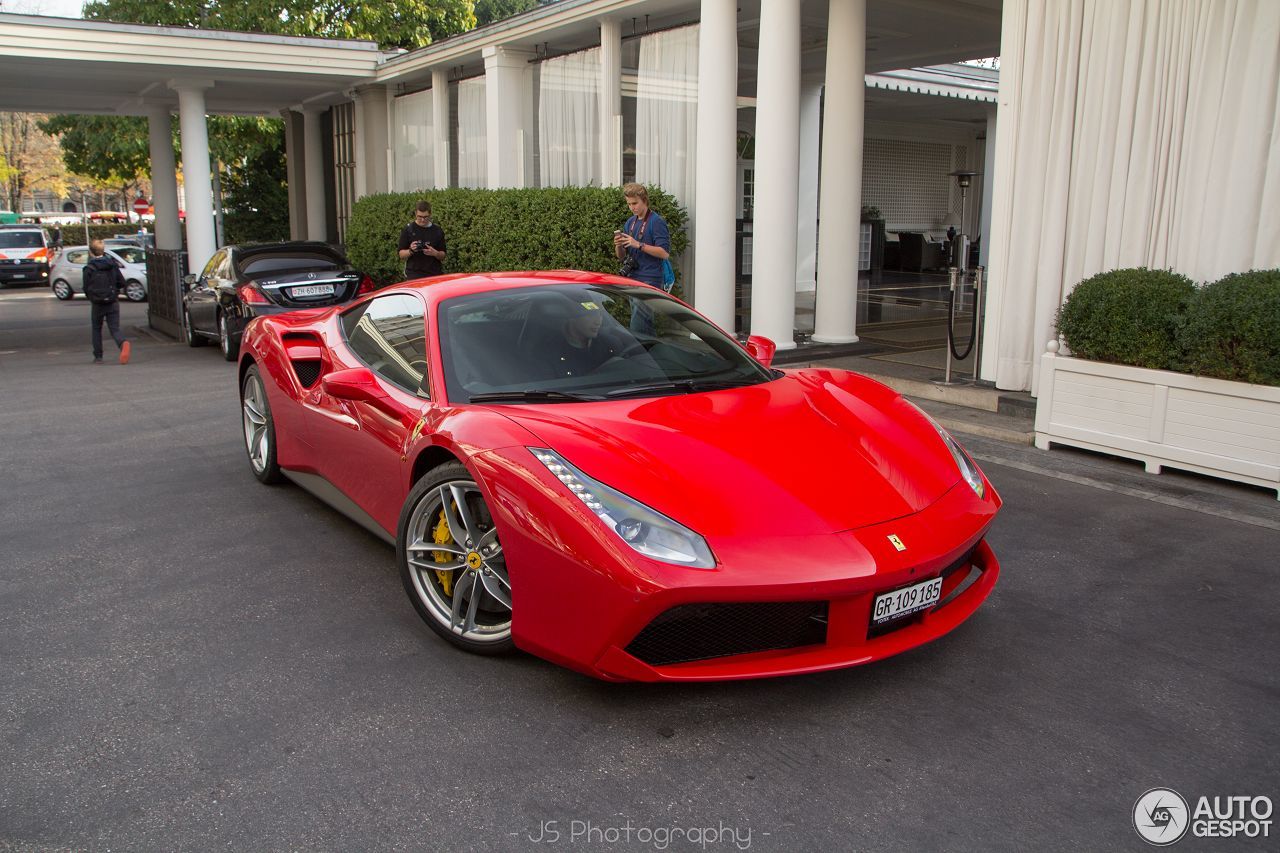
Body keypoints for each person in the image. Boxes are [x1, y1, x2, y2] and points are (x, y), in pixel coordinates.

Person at [536, 299, 618, 378]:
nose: (598, 321)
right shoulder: (549, 351)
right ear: (572, 317)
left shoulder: (609, 344)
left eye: (600, 314)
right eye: (590, 315)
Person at [612, 183, 671, 290]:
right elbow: (621, 256)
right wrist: (618, 245)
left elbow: (664, 253)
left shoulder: (656, 221)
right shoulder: (630, 222)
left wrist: (638, 244)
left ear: (644, 200)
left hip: (650, 279)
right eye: (629, 204)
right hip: (631, 277)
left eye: (635, 203)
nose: (631, 207)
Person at [82, 239, 130, 365]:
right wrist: (115, 291)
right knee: (114, 328)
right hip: (112, 300)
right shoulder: (112, 265)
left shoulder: (89, 268)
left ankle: (98, 356)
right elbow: (121, 282)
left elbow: (86, 287)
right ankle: (122, 343)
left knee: (96, 329)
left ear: (91, 252)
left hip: (97, 302)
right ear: (103, 251)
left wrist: (92, 297)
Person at [397, 200, 447, 281]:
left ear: (430, 214)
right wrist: (411, 250)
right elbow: (401, 254)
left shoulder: (437, 230)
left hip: (434, 273)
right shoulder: (408, 229)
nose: (422, 220)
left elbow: (443, 255)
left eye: (425, 217)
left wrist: (435, 253)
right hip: (414, 274)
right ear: (415, 214)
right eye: (419, 217)